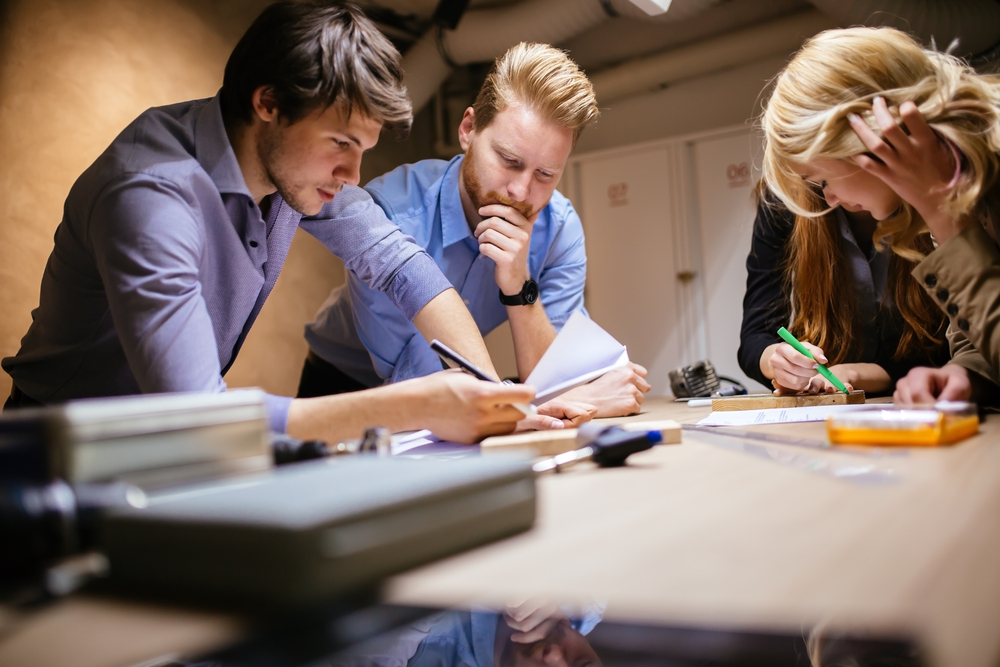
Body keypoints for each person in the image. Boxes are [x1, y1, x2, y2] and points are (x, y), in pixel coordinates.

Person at [1, 2, 557, 444]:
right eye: (341, 143)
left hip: (161, 443)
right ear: (268, 102)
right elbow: (199, 411)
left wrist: (491, 402)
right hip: (55, 451)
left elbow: (400, 265)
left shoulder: (296, 167)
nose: (351, 174)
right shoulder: (150, 196)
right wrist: (416, 406)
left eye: (362, 148)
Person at [301, 42, 650, 418]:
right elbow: (414, 380)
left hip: (456, 386)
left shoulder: (558, 229)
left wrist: (519, 286)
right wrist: (549, 400)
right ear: (468, 129)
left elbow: (554, 380)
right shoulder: (394, 212)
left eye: (545, 174)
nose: (521, 191)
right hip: (343, 380)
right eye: (509, 161)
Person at [759, 26, 1000, 405]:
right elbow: (983, 344)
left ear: (869, 138)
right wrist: (963, 375)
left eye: (822, 179)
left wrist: (942, 215)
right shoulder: (949, 199)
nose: (831, 198)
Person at [739, 184, 949, 396]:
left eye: (831, 176)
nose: (829, 197)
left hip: (918, 397)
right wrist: (780, 362)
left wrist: (853, 373)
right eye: (819, 180)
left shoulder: (936, 194)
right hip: (827, 401)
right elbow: (755, 336)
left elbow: (954, 349)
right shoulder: (786, 194)